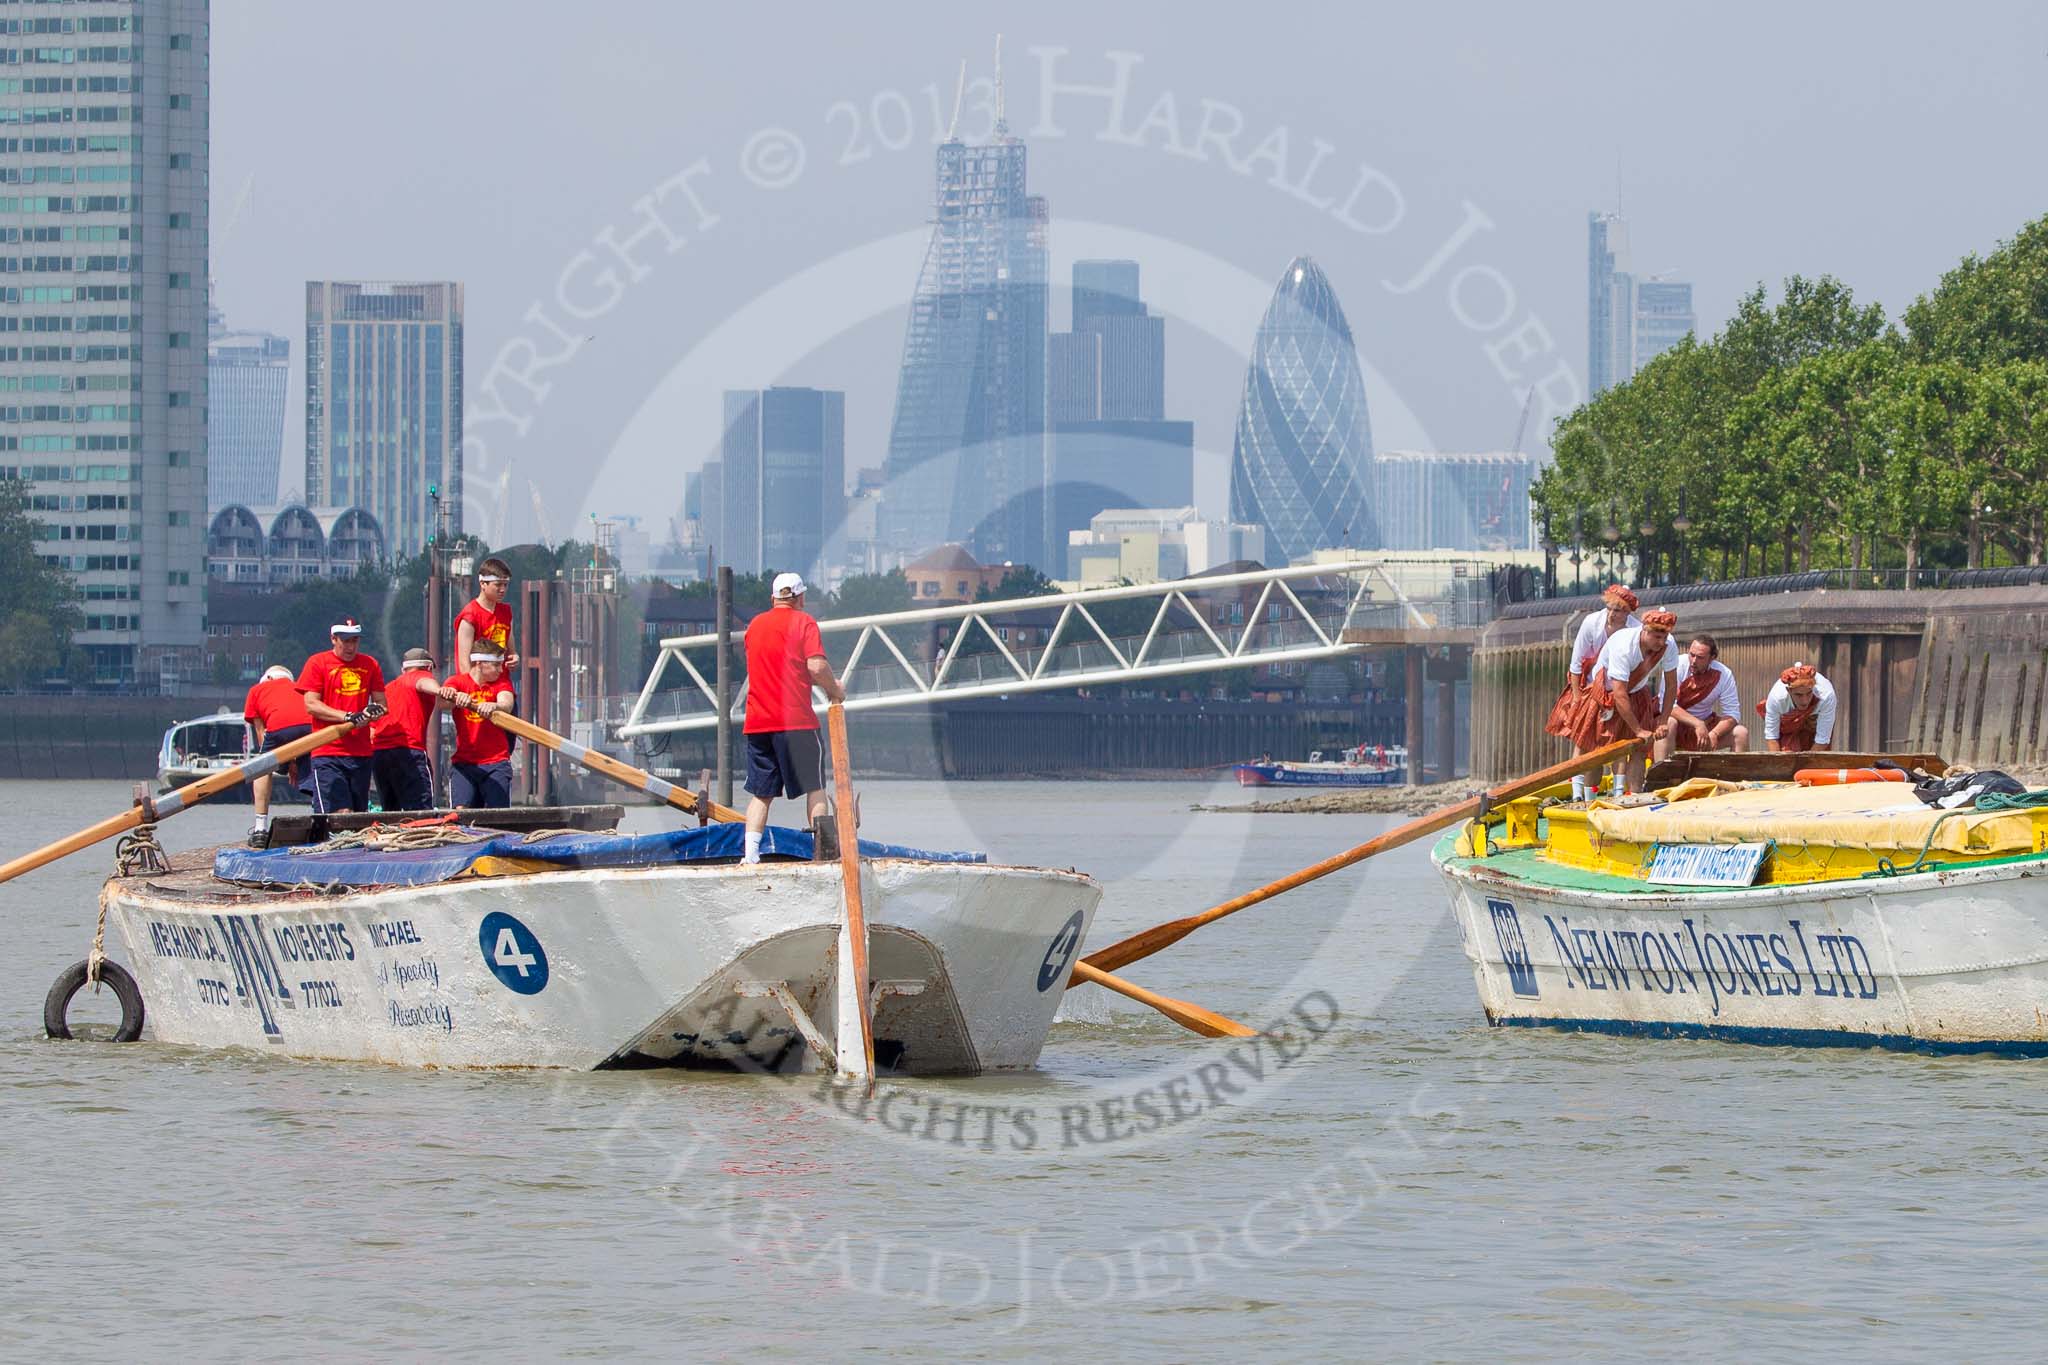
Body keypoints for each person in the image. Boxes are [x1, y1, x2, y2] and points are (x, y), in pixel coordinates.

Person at [741, 571, 845, 866]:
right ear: (800, 598)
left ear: (773, 598)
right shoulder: (804, 622)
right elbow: (814, 667)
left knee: (761, 794)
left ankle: (750, 856)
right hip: (797, 723)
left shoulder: (754, 627)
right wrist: (835, 689)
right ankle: (823, 853)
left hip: (758, 722)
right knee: (815, 788)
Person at [1548, 585, 1641, 800]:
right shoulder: (1591, 622)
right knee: (1583, 740)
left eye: (1618, 610)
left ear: (1627, 613)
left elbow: (1638, 667)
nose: (1611, 614)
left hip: (1621, 687)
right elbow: (1576, 665)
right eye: (1609, 608)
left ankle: (1618, 793)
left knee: (1618, 740)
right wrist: (1578, 699)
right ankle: (1577, 795)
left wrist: (1623, 696)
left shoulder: (1635, 630)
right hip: (1590, 686)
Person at [1573, 607, 1679, 793]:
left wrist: (1663, 721)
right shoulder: (1624, 647)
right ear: (1644, 630)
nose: (1661, 642)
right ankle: (1588, 800)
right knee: (1596, 750)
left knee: (1641, 747)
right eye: (1656, 637)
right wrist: (1637, 729)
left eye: (1664, 637)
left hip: (1637, 693)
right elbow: (1619, 693)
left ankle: (1634, 797)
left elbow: (1671, 685)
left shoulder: (1668, 644)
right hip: (1605, 695)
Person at [297, 618, 387, 814]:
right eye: (345, 641)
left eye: (354, 641)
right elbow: (311, 705)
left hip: (361, 754)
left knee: (357, 814)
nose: (350, 646)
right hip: (327, 752)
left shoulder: (370, 664)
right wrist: (347, 716)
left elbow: (382, 705)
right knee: (340, 812)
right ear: (333, 639)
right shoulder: (317, 663)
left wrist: (371, 714)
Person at [243, 664, 315, 841]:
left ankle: (260, 829)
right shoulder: (299, 688)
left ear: (267, 678)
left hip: (278, 727)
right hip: (311, 729)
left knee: (262, 767)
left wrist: (280, 761)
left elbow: (262, 736)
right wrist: (294, 762)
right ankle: (320, 817)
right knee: (315, 766)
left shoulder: (257, 690)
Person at [442, 645, 516, 808]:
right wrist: (455, 697)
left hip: (496, 762)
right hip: (464, 763)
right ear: (480, 663)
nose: (500, 669)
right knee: (461, 813)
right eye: (496, 665)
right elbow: (441, 703)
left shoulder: (501, 683)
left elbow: (507, 704)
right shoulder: (457, 682)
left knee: (499, 816)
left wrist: (494, 706)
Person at [372, 647, 443, 811]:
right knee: (420, 812)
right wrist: (439, 690)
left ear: (403, 669)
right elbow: (423, 682)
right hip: (408, 752)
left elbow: (372, 729)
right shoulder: (421, 676)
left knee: (390, 813)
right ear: (429, 668)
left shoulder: (388, 689)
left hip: (380, 754)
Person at [1656, 634, 1748, 759]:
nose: (1693, 661)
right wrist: (1697, 724)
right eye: (1691, 655)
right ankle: (1661, 776)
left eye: (1700, 657)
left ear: (1712, 658)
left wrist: (1715, 733)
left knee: (1741, 733)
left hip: (1704, 726)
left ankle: (1736, 777)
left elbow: (1733, 714)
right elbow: (1666, 705)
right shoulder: (1676, 665)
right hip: (1678, 724)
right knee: (1669, 722)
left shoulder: (1724, 674)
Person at [455, 556, 519, 671]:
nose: (503, 589)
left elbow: (511, 653)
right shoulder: (470, 616)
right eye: (498, 584)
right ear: (483, 584)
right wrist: (473, 688)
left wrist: (515, 658)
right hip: (478, 682)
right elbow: (464, 664)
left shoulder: (506, 612)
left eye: (505, 584)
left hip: (501, 680)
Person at [1758, 662, 1836, 752]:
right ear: (1789, 690)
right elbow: (1772, 736)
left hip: (1814, 724)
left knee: (1821, 763)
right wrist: (1778, 764)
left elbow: (1822, 739)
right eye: (1799, 695)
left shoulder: (1826, 695)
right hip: (1787, 726)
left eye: (1809, 693)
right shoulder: (1776, 698)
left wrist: (1805, 765)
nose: (1805, 701)